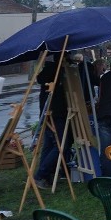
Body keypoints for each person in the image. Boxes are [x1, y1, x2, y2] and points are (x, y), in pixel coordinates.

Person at [34, 54, 72, 189]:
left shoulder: (49, 70)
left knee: (49, 145)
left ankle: (45, 176)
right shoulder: (55, 71)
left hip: (49, 113)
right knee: (61, 145)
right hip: (55, 113)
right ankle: (41, 174)